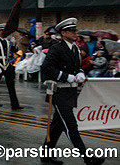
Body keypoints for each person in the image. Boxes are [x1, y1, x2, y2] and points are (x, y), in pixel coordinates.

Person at [40, 17, 104, 165]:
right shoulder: (57, 48)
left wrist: (80, 72)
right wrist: (64, 76)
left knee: (57, 126)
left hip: (70, 93)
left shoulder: (75, 48)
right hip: (59, 93)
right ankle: (88, 158)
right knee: (71, 126)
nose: (76, 33)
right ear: (63, 33)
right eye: (72, 30)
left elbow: (77, 67)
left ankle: (45, 155)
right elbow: (46, 68)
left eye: (76, 30)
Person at [0, 23, 24, 110]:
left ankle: (15, 104)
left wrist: (14, 44)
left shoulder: (7, 41)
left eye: (4, 31)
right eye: (1, 31)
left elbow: (15, 51)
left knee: (11, 85)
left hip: (7, 63)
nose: (3, 32)